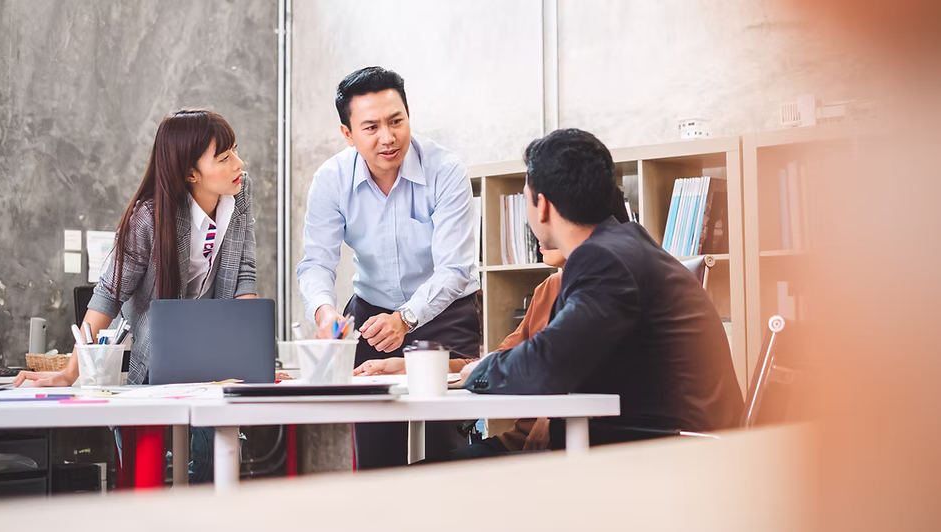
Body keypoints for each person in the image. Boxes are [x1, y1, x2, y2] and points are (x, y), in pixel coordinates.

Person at [459, 128, 743, 450]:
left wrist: (480, 371)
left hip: (666, 455)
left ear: (542, 206)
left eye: (525, 199)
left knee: (435, 471)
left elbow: (549, 363)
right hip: (669, 444)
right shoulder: (624, 246)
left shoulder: (603, 260)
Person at [14, 109, 257, 481]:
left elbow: (243, 276)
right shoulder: (149, 217)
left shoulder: (239, 192)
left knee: (217, 465)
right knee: (145, 477)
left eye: (235, 151)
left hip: (211, 359)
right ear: (190, 173)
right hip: (152, 359)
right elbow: (108, 295)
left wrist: (250, 360)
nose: (239, 163)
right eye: (224, 158)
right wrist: (70, 373)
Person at [296, 66, 481, 469]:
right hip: (370, 315)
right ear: (348, 133)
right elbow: (316, 262)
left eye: (396, 121)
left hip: (446, 313)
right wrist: (324, 312)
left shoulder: (445, 170)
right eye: (371, 127)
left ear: (409, 116)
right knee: (376, 449)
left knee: (444, 448)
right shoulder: (331, 180)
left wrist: (406, 318)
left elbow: (454, 268)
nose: (388, 137)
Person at [353, 196, 632, 458]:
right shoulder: (548, 289)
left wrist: (553, 417)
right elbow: (492, 362)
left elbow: (592, 375)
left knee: (429, 476)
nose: (539, 231)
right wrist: (409, 367)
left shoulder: (608, 288)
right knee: (419, 473)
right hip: (519, 442)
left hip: (570, 445)